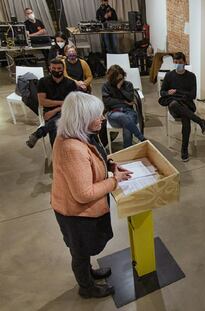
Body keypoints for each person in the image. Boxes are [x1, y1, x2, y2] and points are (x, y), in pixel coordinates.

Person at [52, 91, 132, 298]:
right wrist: (115, 181)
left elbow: (94, 159)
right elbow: (84, 193)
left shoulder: (77, 135)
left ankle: (89, 274)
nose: (102, 118)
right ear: (83, 118)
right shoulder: (72, 148)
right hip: (75, 214)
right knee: (79, 252)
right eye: (97, 115)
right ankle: (86, 288)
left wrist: (111, 165)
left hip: (77, 211)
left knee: (82, 250)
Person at [159, 52, 205, 161]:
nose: (178, 65)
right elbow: (162, 92)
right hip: (174, 106)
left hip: (187, 105)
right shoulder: (169, 75)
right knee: (174, 104)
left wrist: (178, 91)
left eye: (180, 62)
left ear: (185, 62)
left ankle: (184, 149)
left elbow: (193, 95)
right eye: (175, 62)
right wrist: (168, 93)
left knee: (186, 118)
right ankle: (200, 121)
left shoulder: (191, 76)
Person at [26, 58, 77, 148]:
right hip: (52, 112)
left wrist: (55, 109)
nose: (56, 70)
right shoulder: (43, 82)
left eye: (59, 68)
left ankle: (39, 133)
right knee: (56, 127)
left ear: (63, 69)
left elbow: (72, 103)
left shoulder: (71, 83)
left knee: (58, 123)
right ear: (50, 68)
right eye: (54, 68)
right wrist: (62, 102)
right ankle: (57, 153)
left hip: (66, 112)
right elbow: (42, 102)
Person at [102, 65, 146, 148]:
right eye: (117, 79)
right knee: (123, 117)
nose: (120, 81)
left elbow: (130, 98)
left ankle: (127, 150)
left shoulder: (128, 85)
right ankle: (141, 138)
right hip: (114, 112)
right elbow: (107, 102)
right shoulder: (106, 86)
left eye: (121, 78)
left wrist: (120, 89)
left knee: (127, 126)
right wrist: (123, 101)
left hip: (129, 111)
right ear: (112, 78)